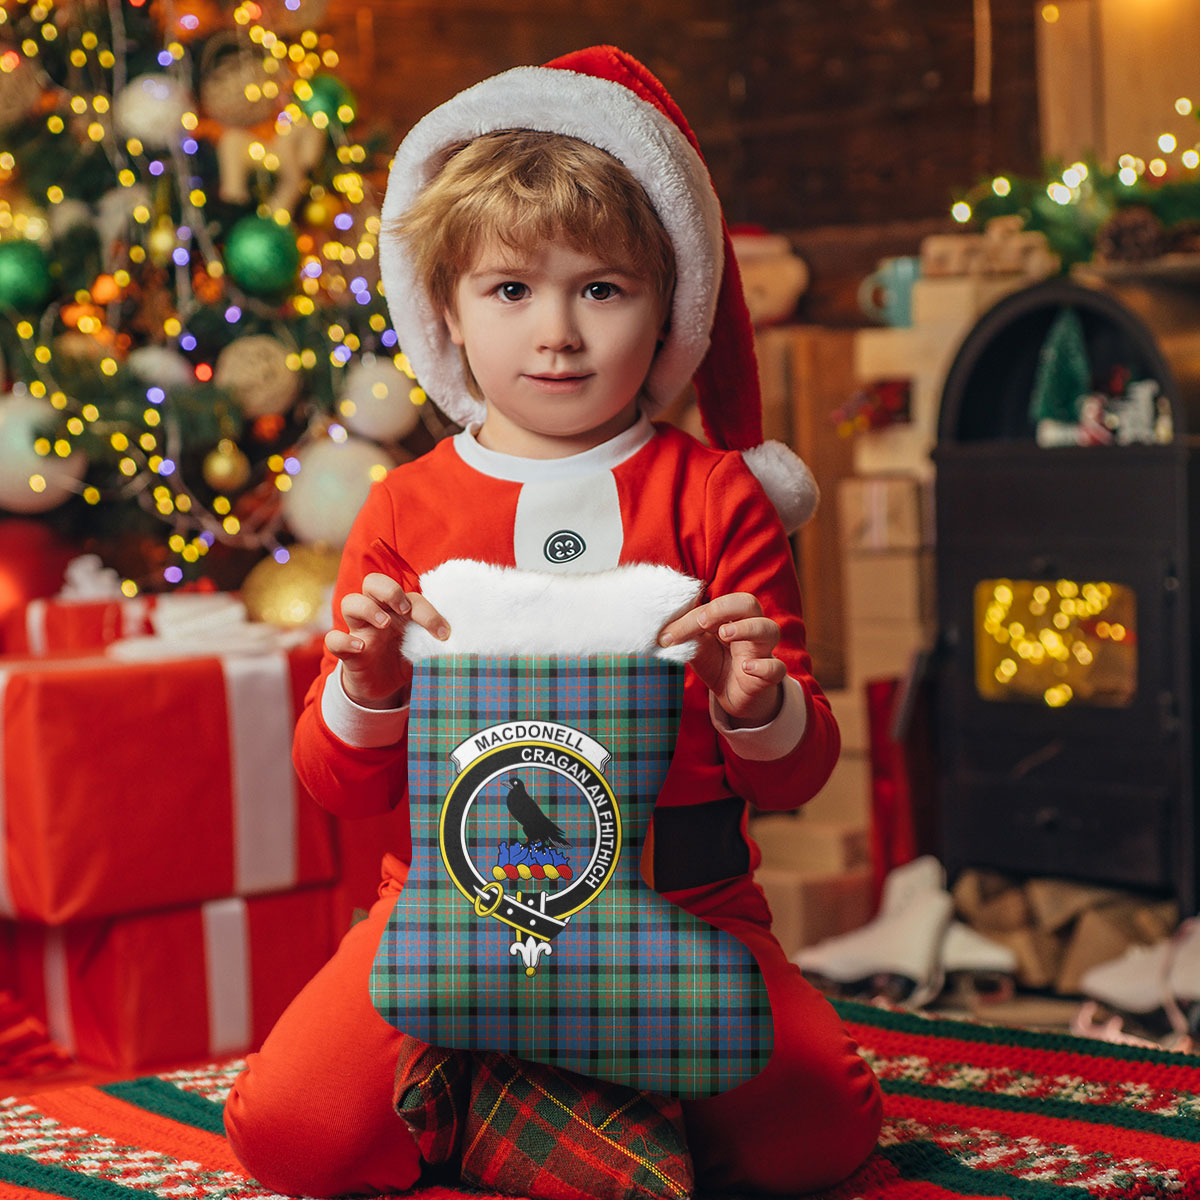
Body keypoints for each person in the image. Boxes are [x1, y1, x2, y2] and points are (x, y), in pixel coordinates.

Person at [224, 45, 882, 1197]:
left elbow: (796, 779)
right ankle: (541, 1086)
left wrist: (760, 705)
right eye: (512, 289)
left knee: (817, 1137)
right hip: (448, 903)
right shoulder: (407, 503)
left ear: (665, 303)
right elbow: (338, 784)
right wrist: (369, 686)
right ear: (446, 310)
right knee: (292, 1135)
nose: (558, 334)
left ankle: (532, 1086)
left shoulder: (716, 496)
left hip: (686, 902)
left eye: (602, 288)